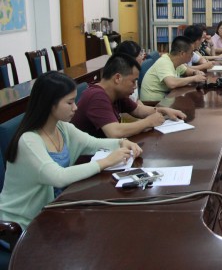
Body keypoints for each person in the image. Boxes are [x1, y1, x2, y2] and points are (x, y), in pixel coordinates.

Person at [0, 71, 142, 230]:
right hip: (21, 225)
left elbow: (93, 143)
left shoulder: (62, 127)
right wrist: (106, 161)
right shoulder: (29, 141)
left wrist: (121, 143)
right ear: (50, 104)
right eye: (70, 102)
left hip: (51, 213)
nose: (75, 107)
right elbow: (58, 177)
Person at [71, 54, 186, 139]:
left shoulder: (116, 93)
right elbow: (114, 132)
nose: (135, 87)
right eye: (133, 81)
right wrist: (148, 122)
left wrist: (164, 110)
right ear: (118, 78)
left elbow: (138, 110)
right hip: (90, 158)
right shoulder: (96, 96)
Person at [140, 36, 207, 102]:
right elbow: (172, 83)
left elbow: (185, 71)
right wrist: (194, 78)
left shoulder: (175, 61)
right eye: (191, 53)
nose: (192, 55)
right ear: (182, 54)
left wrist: (195, 72)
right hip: (153, 102)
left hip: (165, 97)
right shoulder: (164, 62)